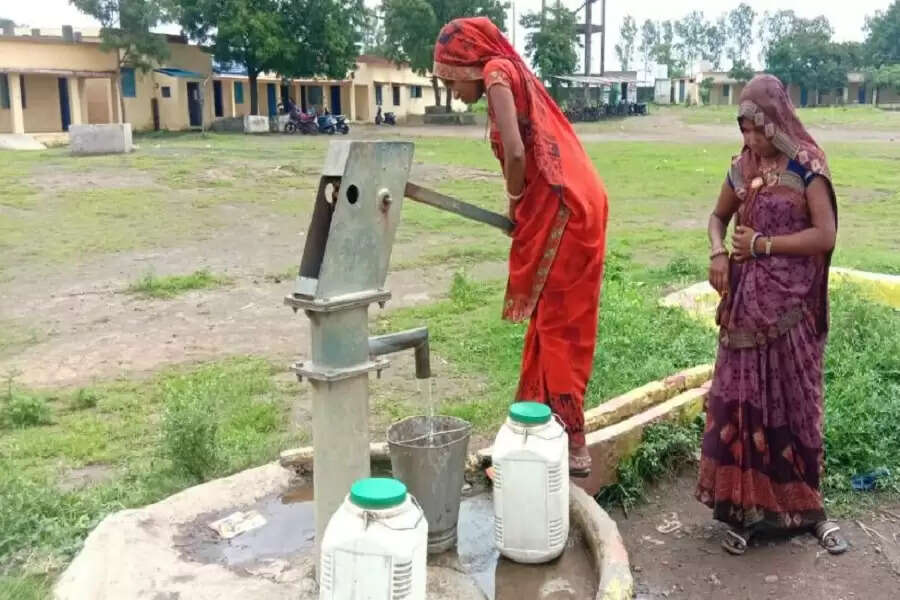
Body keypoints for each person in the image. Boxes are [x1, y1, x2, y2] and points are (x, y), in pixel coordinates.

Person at [433, 17, 608, 477]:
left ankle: (571, 442)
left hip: (564, 209)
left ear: (466, 63)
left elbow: (515, 154)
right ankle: (536, 427)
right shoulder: (504, 72)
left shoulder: (494, 75)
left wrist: (514, 202)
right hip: (568, 201)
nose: (453, 91)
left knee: (558, 326)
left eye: (450, 80)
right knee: (546, 324)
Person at [697, 74, 847, 555]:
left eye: (757, 130)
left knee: (798, 407)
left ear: (777, 122)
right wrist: (719, 252)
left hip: (793, 312)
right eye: (743, 130)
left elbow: (825, 236)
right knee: (744, 407)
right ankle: (747, 515)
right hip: (746, 309)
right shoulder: (743, 167)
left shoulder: (808, 167)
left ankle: (809, 511)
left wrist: (763, 244)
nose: (750, 140)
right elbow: (717, 217)